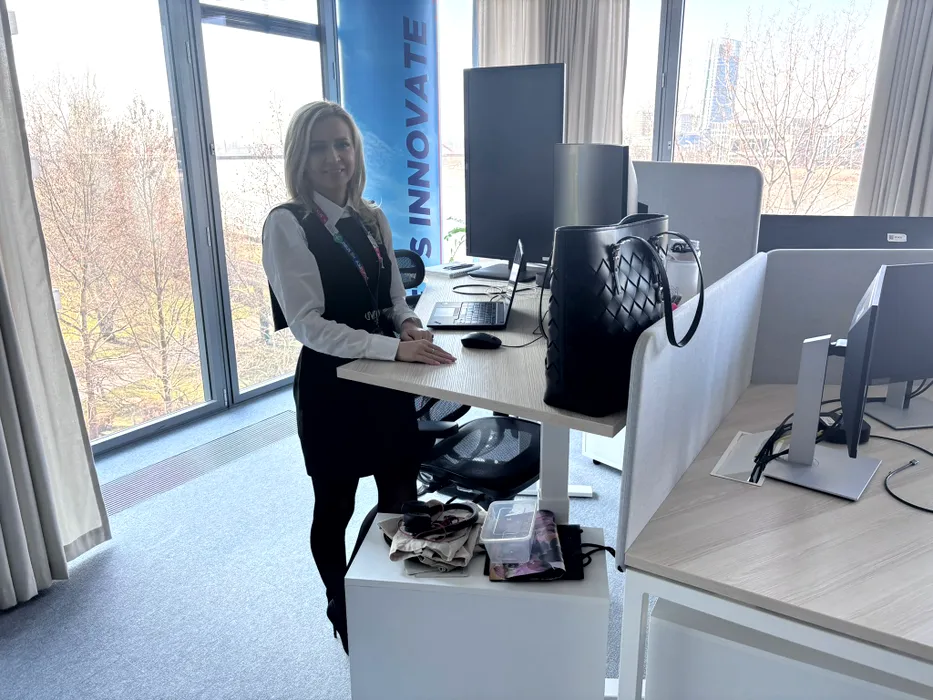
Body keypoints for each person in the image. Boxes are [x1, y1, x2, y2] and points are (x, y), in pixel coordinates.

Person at [261, 101, 456, 654]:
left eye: (342, 144)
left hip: (386, 381)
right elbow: (308, 324)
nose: (334, 158)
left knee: (399, 494)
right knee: (336, 507)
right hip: (333, 387)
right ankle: (340, 603)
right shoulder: (288, 223)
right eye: (319, 147)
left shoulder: (372, 217)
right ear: (300, 157)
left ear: (356, 151)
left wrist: (409, 325)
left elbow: (394, 297)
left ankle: (392, 595)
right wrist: (394, 348)